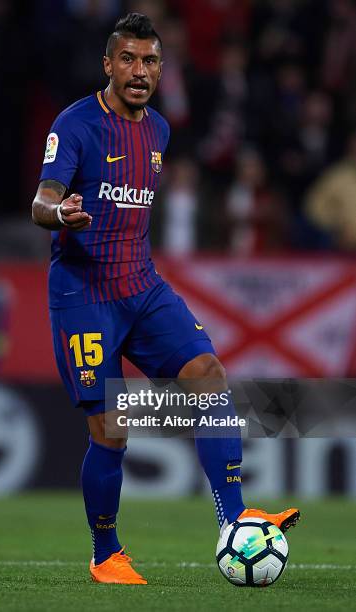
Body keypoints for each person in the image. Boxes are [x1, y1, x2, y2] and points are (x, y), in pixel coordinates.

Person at [32, 13, 300, 585]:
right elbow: (41, 202)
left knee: (209, 375)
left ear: (161, 67)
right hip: (85, 295)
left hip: (142, 287)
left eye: (150, 61)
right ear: (108, 64)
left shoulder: (159, 130)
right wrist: (61, 214)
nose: (139, 71)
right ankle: (106, 553)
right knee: (112, 429)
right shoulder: (75, 124)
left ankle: (235, 522)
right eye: (127, 59)